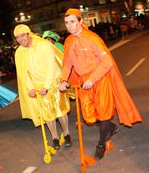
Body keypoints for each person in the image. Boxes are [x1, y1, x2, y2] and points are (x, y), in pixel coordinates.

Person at [58, 8, 142, 160]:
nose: (69, 25)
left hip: (100, 79)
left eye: (72, 21)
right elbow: (67, 64)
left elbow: (107, 61)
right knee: (89, 117)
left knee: (103, 113)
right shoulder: (68, 41)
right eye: (66, 22)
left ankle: (101, 144)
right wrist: (63, 80)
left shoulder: (92, 38)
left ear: (80, 21)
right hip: (83, 82)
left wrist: (93, 78)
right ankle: (110, 127)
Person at [14, 25, 73, 150]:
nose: (20, 39)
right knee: (47, 115)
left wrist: (46, 86)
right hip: (38, 87)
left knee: (60, 110)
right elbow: (23, 74)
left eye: (22, 35)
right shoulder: (19, 53)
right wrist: (30, 88)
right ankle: (55, 137)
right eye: (17, 37)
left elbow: (52, 66)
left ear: (29, 34)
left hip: (53, 82)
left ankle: (67, 134)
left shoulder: (43, 44)